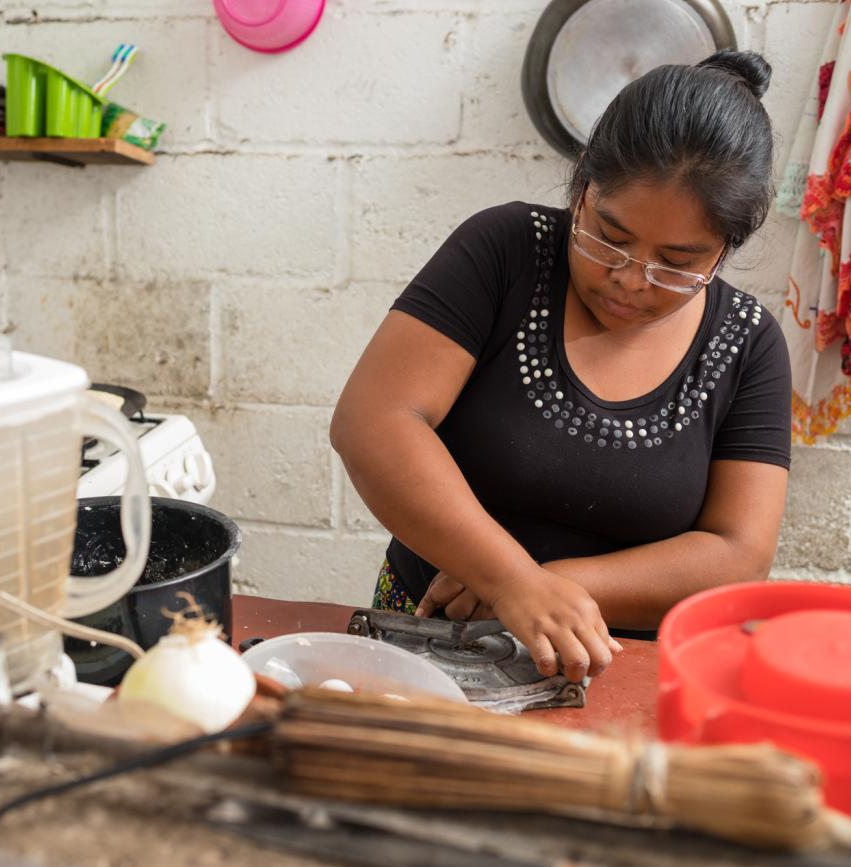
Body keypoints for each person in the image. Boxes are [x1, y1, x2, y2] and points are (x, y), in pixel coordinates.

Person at [331, 50, 792, 684]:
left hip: (615, 669)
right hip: (431, 635)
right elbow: (375, 421)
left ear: (724, 251)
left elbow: (738, 554)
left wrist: (540, 586)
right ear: (581, 190)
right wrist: (508, 578)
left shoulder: (748, 343)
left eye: (677, 263)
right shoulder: (507, 251)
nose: (630, 279)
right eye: (610, 238)